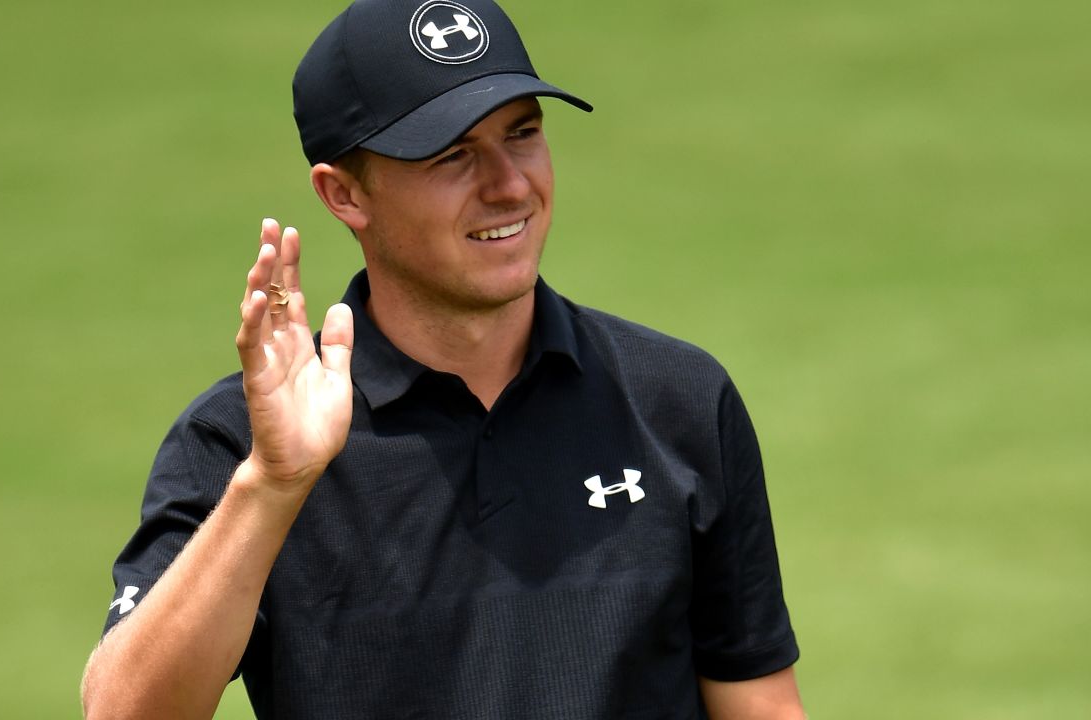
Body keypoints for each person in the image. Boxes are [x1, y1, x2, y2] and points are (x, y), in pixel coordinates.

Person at [81, 0, 805, 718]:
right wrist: (274, 486)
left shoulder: (677, 400)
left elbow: (761, 705)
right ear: (344, 193)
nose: (509, 185)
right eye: (453, 154)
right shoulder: (243, 444)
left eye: (522, 133)